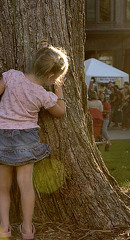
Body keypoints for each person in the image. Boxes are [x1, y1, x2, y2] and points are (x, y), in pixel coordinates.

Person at [0, 44, 69, 239]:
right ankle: (27, 229)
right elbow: (60, 112)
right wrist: (59, 91)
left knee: (3, 187)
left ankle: (4, 228)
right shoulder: (42, 94)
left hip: (2, 137)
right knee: (25, 186)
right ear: (50, 77)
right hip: (25, 140)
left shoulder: (12, 76)